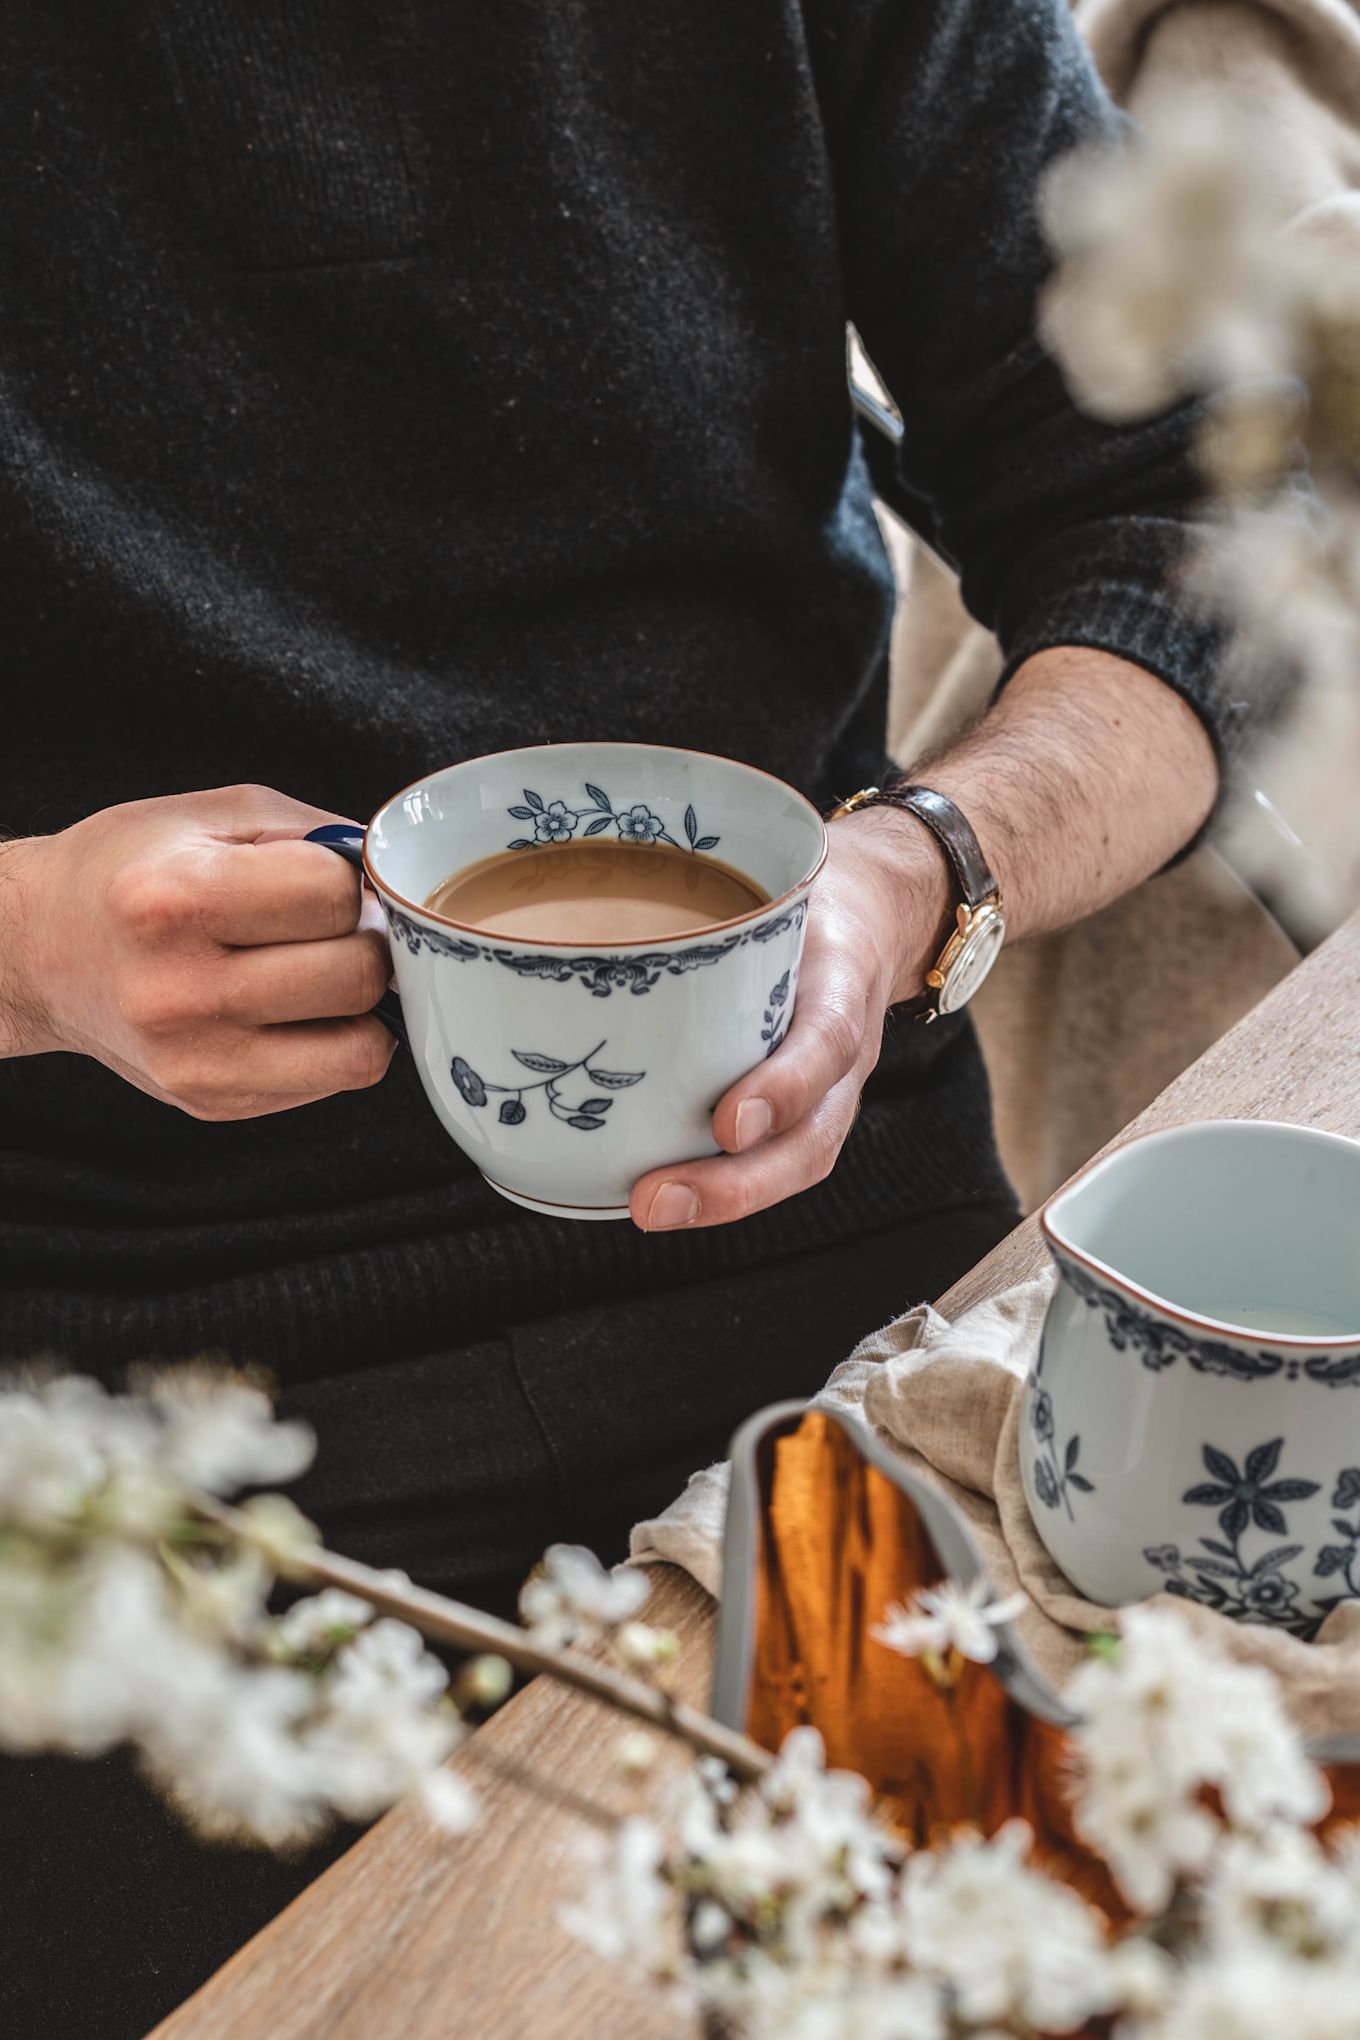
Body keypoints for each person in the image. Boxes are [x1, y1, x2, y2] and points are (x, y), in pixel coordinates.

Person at [0, 1, 1224, 2031]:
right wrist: (35, 946)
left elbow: (1183, 521)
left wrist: (919, 869)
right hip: (125, 1417)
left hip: (841, 1284)